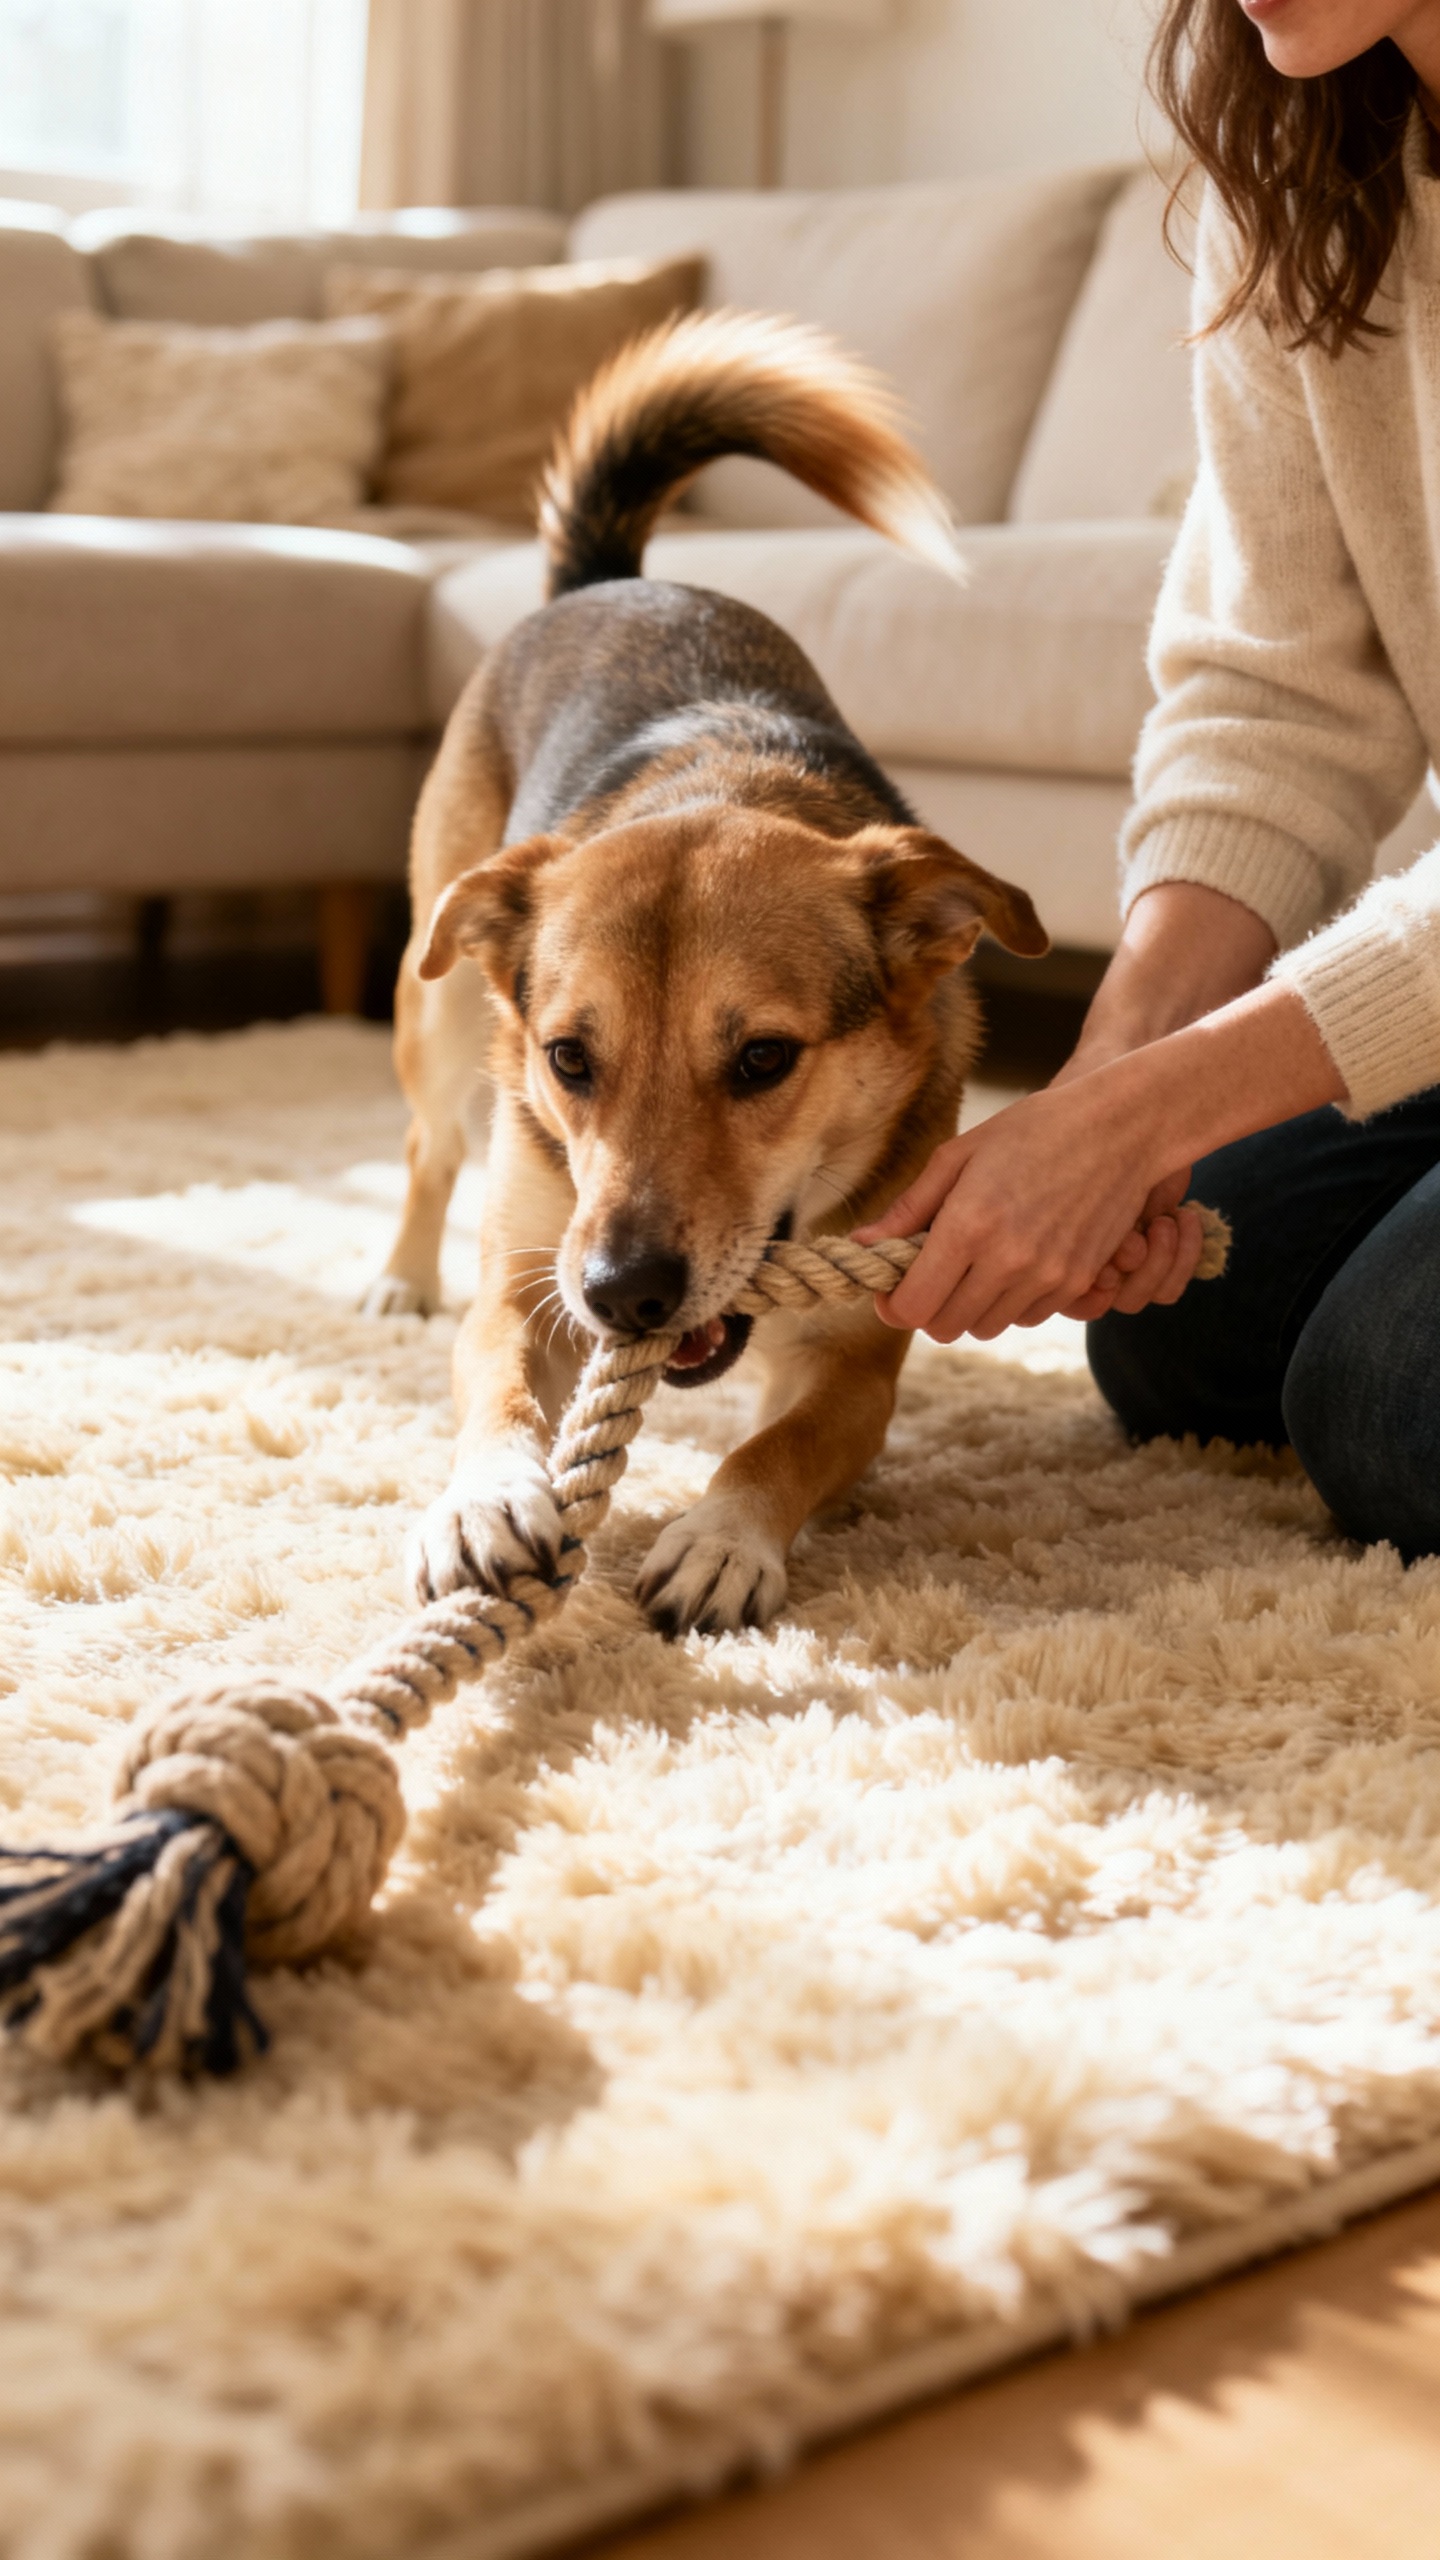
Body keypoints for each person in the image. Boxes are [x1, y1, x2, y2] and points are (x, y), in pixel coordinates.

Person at [856, 0, 1440, 1561]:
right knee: (1179, 1329)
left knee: (1395, 1403)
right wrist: (1112, 1083)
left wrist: (1141, 1121)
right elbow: (1281, 697)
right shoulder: (1303, 170)